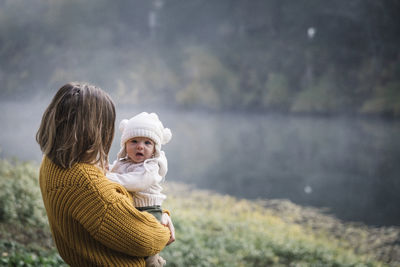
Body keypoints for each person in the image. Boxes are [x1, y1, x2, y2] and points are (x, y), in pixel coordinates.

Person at [36, 82, 175, 267]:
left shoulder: (51, 162)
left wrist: (159, 212)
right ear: (95, 129)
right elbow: (145, 240)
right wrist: (163, 225)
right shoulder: (85, 183)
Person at [107, 112, 172, 267]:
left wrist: (106, 178)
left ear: (155, 148)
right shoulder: (122, 162)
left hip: (149, 209)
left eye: (147, 143)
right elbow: (114, 172)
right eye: (134, 141)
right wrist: (105, 170)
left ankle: (155, 263)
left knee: (147, 250)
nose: (140, 146)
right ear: (125, 145)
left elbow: (135, 182)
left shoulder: (151, 167)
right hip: (133, 208)